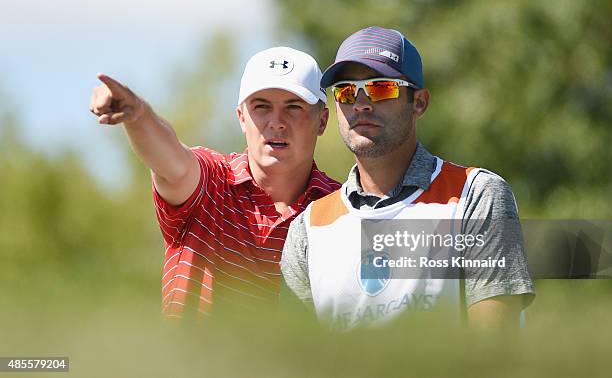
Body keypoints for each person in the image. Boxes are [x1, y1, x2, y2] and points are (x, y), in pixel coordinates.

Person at [280, 27, 535, 330]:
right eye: (346, 91)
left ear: (420, 102)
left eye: (381, 88)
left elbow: (494, 350)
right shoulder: (308, 228)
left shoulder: (476, 194)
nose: (360, 103)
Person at [89, 47, 340, 319]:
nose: (276, 123)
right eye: (261, 107)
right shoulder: (212, 180)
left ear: (322, 120)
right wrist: (138, 115)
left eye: (294, 107)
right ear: (242, 118)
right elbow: (170, 160)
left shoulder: (345, 208)